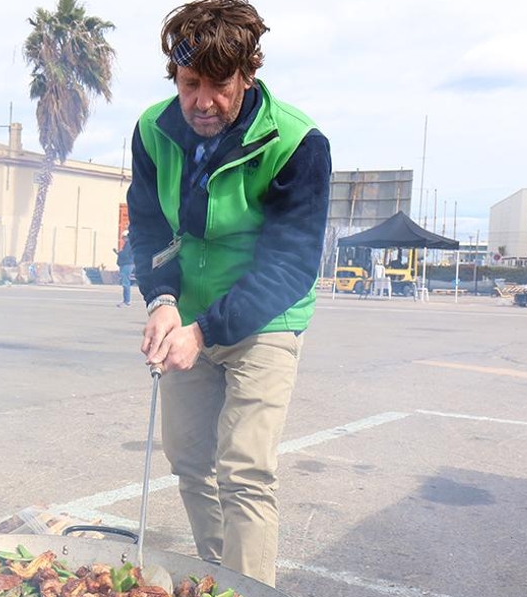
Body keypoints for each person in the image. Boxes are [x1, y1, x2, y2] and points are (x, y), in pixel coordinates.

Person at [125, 0, 331, 586]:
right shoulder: (151, 130)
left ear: (248, 75)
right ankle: (221, 576)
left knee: (244, 470)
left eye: (220, 85)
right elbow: (151, 229)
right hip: (188, 313)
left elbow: (291, 265)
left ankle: (248, 589)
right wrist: (162, 300)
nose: (203, 102)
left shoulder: (297, 142)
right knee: (188, 459)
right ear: (176, 77)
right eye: (191, 84)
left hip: (266, 315)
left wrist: (206, 331)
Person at [115, 230, 135, 307]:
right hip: (127, 264)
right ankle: (126, 300)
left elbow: (126, 254)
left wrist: (118, 253)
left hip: (127, 264)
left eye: (124, 237)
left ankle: (126, 301)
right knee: (125, 282)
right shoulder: (128, 244)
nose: (123, 239)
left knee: (125, 282)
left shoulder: (129, 244)